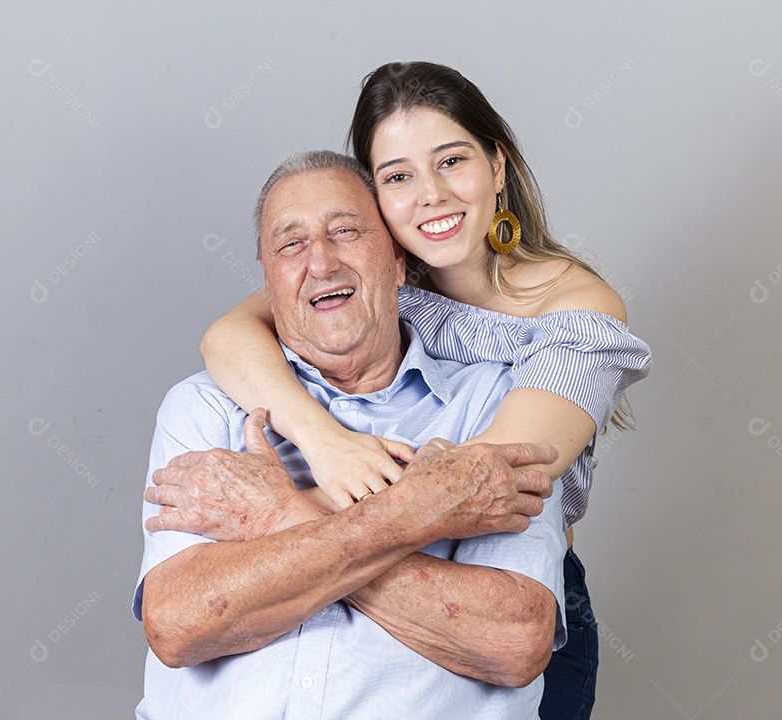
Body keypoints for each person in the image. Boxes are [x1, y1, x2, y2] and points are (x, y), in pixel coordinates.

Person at [200, 62, 652, 718]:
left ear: (497, 166)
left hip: (499, 594)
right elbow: (228, 336)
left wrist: (275, 519)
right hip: (375, 577)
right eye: (398, 177)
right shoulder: (380, 277)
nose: (430, 196)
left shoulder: (578, 308)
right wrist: (322, 441)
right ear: (373, 199)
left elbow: (477, 483)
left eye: (451, 161)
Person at [134, 150, 570, 719]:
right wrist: (415, 511)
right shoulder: (204, 406)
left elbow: (513, 641)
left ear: (397, 259)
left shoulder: (495, 403)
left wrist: (273, 518)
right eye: (291, 244)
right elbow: (179, 624)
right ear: (266, 275)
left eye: (345, 231)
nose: (320, 261)